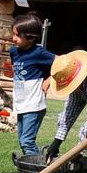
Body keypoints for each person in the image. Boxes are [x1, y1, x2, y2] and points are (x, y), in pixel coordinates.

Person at [10, 13, 55, 155]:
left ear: (30, 37)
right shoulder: (13, 52)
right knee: (23, 142)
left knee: (27, 142)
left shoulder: (38, 53)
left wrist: (49, 80)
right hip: (21, 103)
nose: (13, 38)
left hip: (34, 105)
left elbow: (62, 63)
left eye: (17, 35)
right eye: (13, 34)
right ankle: (34, 169)